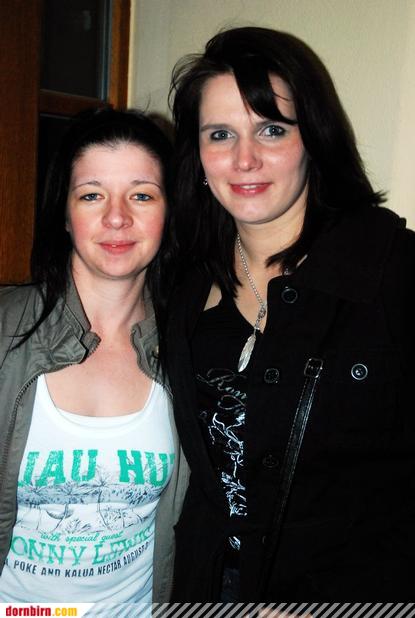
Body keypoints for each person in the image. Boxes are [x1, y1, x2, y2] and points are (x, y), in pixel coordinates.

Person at [166, 26, 415, 602]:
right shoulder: (181, 280)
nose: (244, 159)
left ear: (315, 139)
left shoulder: (394, 274)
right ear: (197, 155)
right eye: (220, 134)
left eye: (272, 129)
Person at [0, 108, 188, 608]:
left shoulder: (192, 348)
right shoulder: (3, 330)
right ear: (64, 214)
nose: (117, 217)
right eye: (91, 195)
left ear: (168, 212)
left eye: (141, 195)